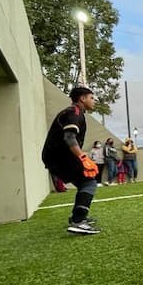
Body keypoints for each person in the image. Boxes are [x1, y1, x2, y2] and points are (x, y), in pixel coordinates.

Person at [41, 86, 101, 235]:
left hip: (57, 156)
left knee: (84, 182)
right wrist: (83, 157)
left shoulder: (75, 112)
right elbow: (69, 137)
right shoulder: (74, 112)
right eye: (91, 97)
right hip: (59, 156)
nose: (94, 101)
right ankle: (78, 221)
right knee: (89, 181)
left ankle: (78, 218)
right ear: (82, 98)